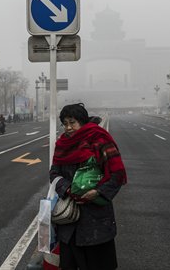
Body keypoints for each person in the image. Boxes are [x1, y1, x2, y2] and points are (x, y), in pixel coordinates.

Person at [49, 103, 127, 270]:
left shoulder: (99, 140)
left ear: (82, 122)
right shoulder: (62, 145)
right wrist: (69, 189)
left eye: (72, 122)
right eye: (65, 123)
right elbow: (54, 174)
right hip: (69, 220)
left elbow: (117, 174)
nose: (68, 127)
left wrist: (98, 192)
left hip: (96, 221)